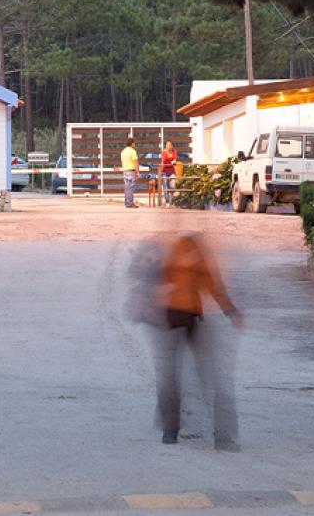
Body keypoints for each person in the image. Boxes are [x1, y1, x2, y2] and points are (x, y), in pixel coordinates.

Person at [152, 233, 244, 449]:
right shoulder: (193, 258)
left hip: (177, 318)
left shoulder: (181, 258)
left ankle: (171, 431)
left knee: (172, 376)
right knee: (202, 376)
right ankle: (219, 436)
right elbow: (213, 286)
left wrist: (230, 310)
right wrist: (230, 310)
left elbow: (162, 280)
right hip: (184, 318)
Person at [121, 137, 139, 208]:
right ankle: (130, 203)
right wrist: (137, 172)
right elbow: (135, 162)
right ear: (132, 144)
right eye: (134, 143)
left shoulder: (123, 151)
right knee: (131, 188)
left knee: (127, 188)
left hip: (125, 171)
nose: (135, 144)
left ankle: (127, 203)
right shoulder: (132, 151)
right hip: (131, 171)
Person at [160, 140, 178, 207]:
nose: (169, 146)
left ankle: (171, 201)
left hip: (172, 171)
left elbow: (175, 159)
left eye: (170, 145)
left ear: (172, 146)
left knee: (172, 186)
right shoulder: (164, 152)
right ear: (166, 146)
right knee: (165, 187)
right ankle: (167, 201)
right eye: (167, 145)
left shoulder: (174, 151)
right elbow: (164, 160)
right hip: (164, 171)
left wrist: (172, 161)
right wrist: (171, 161)